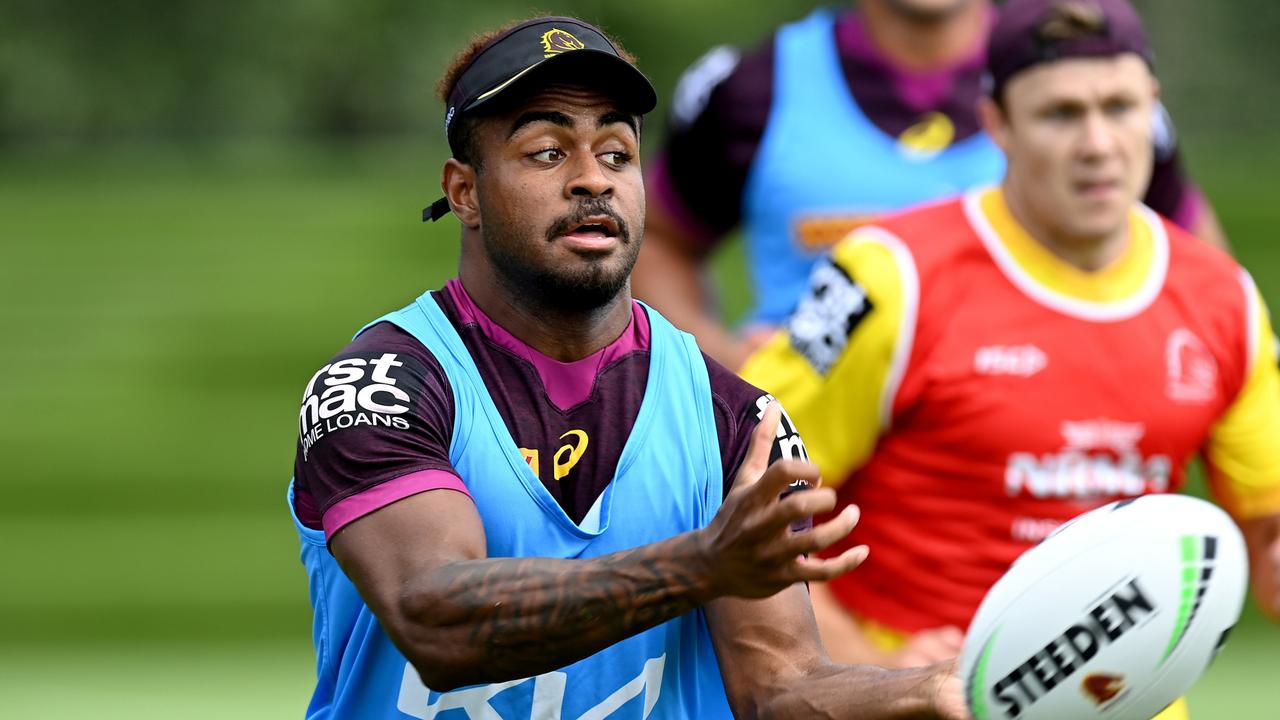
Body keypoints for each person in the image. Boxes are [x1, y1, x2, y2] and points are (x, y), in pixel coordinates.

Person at [288, 16, 971, 719]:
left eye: (616, 153)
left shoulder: (736, 418)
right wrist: (700, 565)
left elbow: (780, 688)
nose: (593, 180)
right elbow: (435, 619)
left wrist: (930, 691)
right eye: (548, 153)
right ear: (464, 192)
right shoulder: (378, 387)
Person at [739, 1, 1280, 717]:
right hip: (919, 700)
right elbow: (745, 498)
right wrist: (865, 664)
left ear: (1152, 109)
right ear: (997, 124)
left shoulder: (1221, 298)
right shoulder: (890, 276)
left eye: (1119, 107)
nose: (1098, 143)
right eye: (1060, 114)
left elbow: (1268, 528)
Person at [633, 0, 1228, 372]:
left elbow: (1209, 281)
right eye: (1062, 117)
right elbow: (652, 241)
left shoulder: (1083, 88)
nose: (1094, 135)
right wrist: (713, 355)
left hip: (1036, 474)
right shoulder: (753, 88)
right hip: (811, 471)